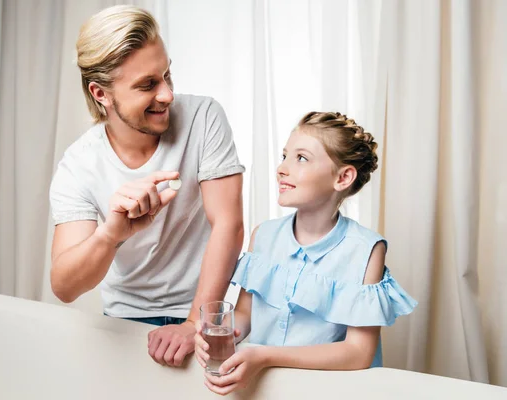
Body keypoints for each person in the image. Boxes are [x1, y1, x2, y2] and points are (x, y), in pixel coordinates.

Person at [49, 5, 245, 367]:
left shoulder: (204, 117)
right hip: (125, 326)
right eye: (148, 84)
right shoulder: (78, 165)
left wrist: (194, 323)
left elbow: (228, 225)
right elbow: (64, 286)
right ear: (101, 93)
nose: (167, 94)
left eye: (167, 75)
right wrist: (111, 234)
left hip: (207, 316)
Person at [194, 112, 417, 395]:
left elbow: (358, 352)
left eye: (301, 158)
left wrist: (265, 356)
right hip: (262, 389)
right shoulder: (263, 235)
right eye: (284, 156)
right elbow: (244, 315)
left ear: (343, 177)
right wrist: (214, 334)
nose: (282, 169)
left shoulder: (367, 250)